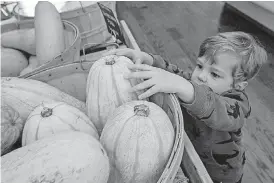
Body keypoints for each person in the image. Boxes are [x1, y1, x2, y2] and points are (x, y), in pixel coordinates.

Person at [104, 31, 267, 183]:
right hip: (190, 153)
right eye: (200, 66)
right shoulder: (194, 82)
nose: (201, 76)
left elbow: (216, 108)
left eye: (215, 74)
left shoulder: (237, 104)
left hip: (221, 174)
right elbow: (175, 73)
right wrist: (149, 59)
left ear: (238, 85)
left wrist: (183, 86)